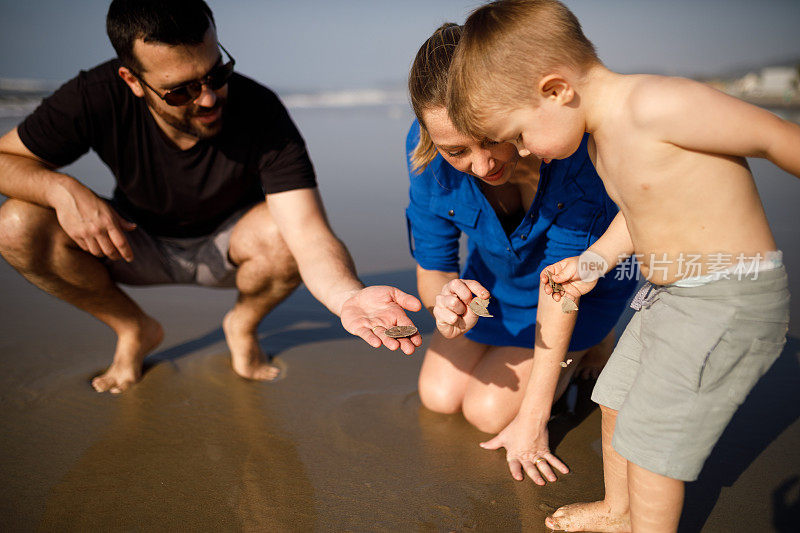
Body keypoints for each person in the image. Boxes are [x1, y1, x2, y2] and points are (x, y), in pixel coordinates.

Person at [448, 0, 797, 531]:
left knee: (653, 441)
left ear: (555, 89)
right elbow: (639, 213)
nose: (522, 151)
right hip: (668, 297)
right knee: (613, 398)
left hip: (728, 298)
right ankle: (619, 510)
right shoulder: (601, 141)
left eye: (519, 134)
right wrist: (594, 262)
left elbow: (776, 136)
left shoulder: (657, 104)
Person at [0, 0, 421, 395]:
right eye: (180, 91)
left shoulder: (260, 110)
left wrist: (346, 296)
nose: (207, 98)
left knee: (282, 233)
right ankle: (132, 329)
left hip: (232, 250)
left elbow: (308, 234)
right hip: (132, 242)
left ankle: (243, 324)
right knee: (16, 225)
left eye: (217, 73)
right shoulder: (92, 97)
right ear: (131, 80)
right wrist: (60, 188)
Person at [405, 23, 637, 485]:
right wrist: (446, 302)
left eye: (490, 137)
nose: (483, 165)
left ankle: (592, 343)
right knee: (438, 395)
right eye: (457, 150)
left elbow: (563, 285)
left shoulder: (573, 156)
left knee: (488, 411)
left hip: (578, 293)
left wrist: (532, 422)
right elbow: (434, 267)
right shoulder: (429, 152)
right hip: (495, 287)